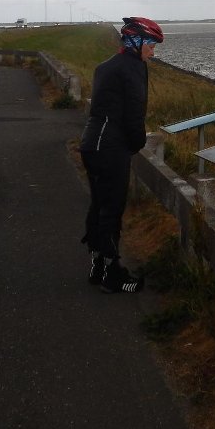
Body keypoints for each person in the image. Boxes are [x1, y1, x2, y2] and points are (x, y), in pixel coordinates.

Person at [78, 16, 164, 293]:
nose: (153, 49)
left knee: (99, 205)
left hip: (91, 143)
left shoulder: (106, 67)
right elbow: (134, 114)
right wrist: (137, 143)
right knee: (112, 210)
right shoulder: (133, 68)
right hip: (111, 148)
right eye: (150, 43)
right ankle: (112, 275)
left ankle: (97, 267)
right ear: (135, 42)